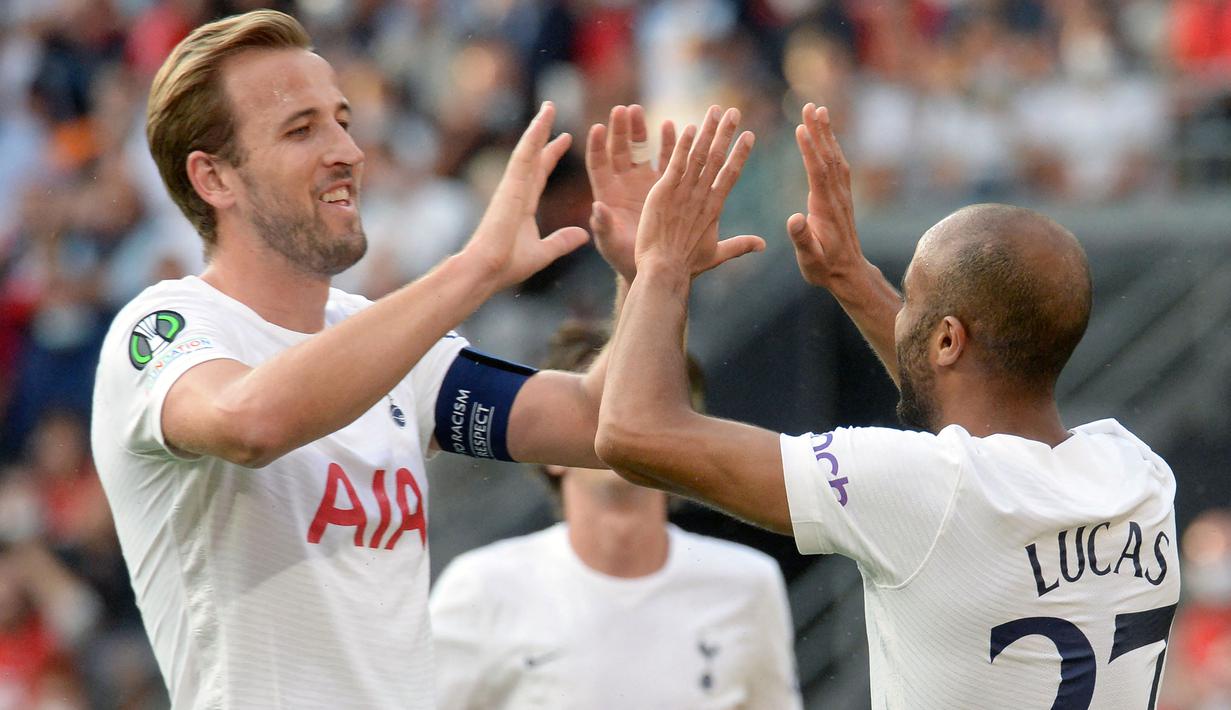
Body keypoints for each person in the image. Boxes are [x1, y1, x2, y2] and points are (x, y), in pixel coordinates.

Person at [89, 10, 760, 709]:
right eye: (301, 128)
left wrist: (651, 276)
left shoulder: (392, 346)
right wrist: (474, 268)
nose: (347, 149)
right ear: (213, 178)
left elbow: (607, 427)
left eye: (342, 119)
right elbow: (250, 420)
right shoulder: (163, 329)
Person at [595, 103, 1180, 708]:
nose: (898, 311)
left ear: (948, 338)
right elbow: (957, 384)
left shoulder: (924, 488)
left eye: (911, 298)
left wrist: (660, 262)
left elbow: (632, 432)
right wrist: (850, 275)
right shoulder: (1139, 476)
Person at [429, 321, 802, 710]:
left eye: (656, 409)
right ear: (547, 451)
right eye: (601, 409)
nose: (625, 431)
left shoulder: (749, 583)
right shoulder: (479, 589)